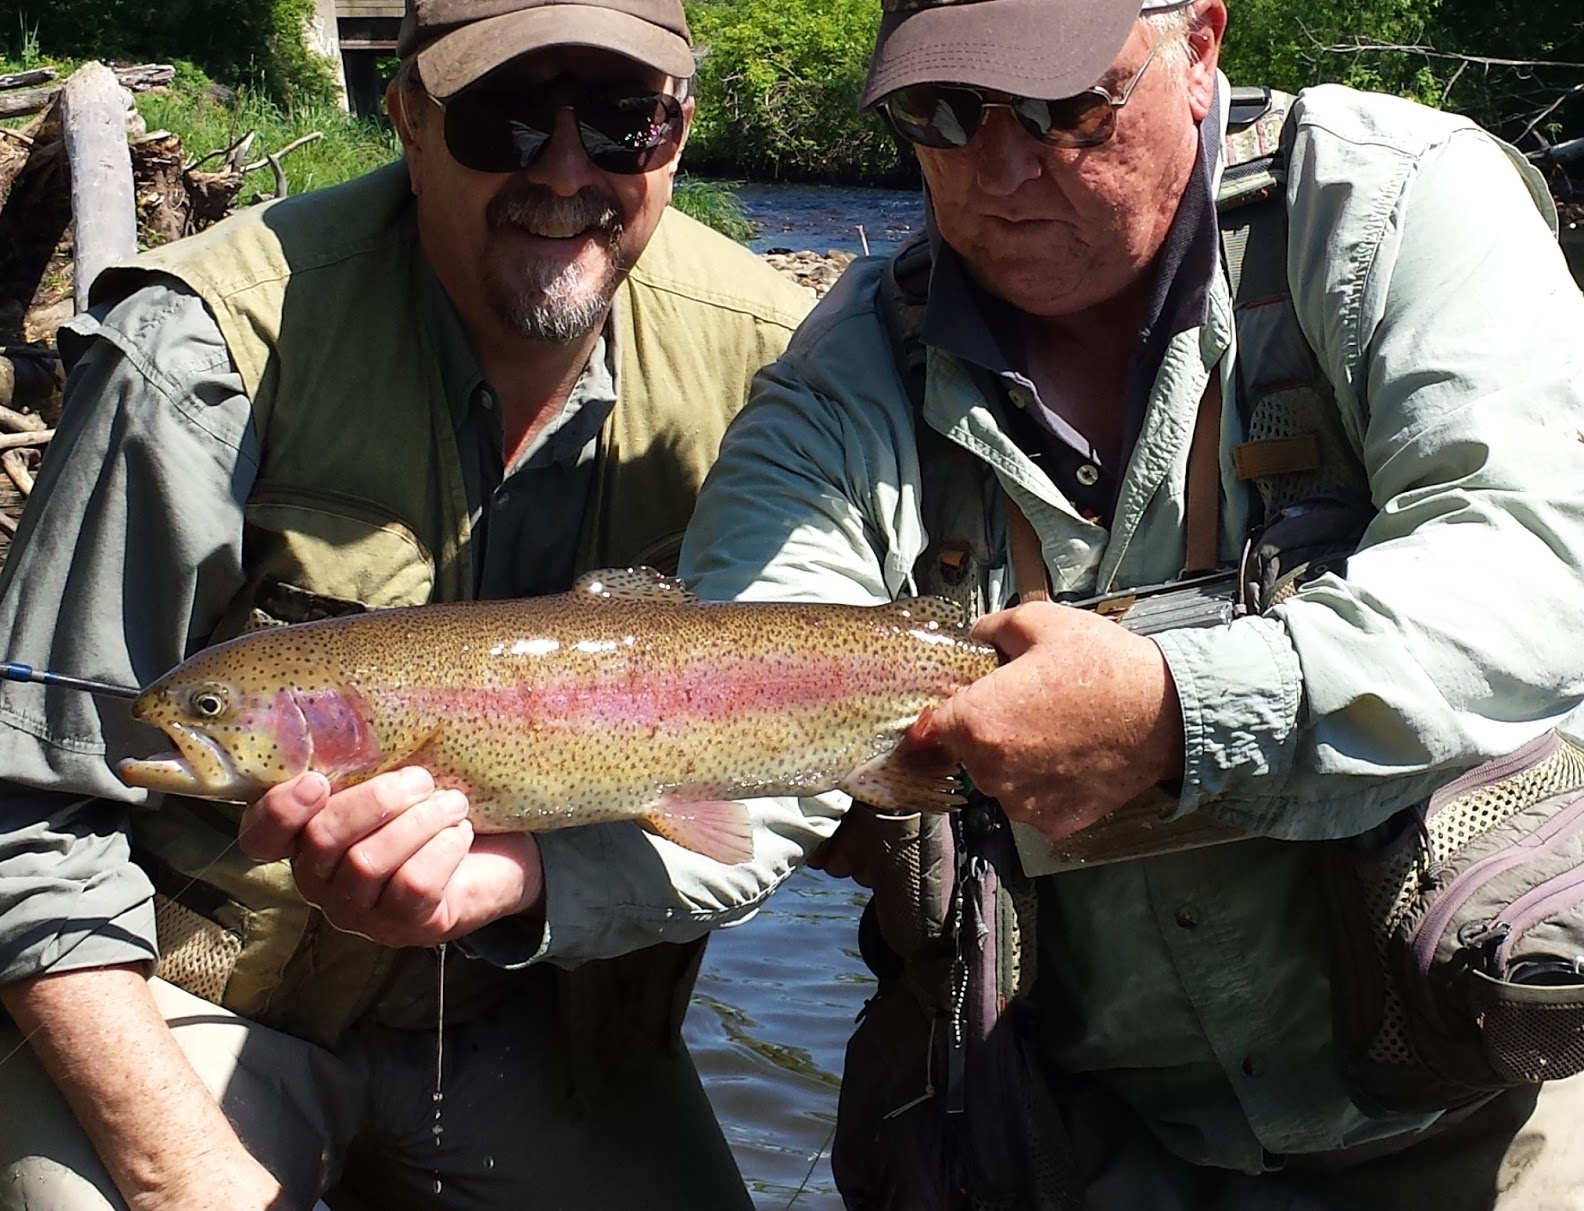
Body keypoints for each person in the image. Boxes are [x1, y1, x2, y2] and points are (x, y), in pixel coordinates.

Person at [675, 0, 1584, 1207]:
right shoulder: (845, 374)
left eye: (1064, 105)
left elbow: (1531, 568)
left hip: (1493, 1103)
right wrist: (527, 879)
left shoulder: (1400, 207)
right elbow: (720, 695)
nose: (1002, 167)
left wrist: (1175, 711)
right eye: (940, 113)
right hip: (1085, 1139)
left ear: (1198, 49)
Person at [0, 1, 814, 1208]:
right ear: (408, 118)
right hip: (200, 999)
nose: (565, 170)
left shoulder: (772, 361)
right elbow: (16, 811)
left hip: (542, 1025)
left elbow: (836, 762)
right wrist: (180, 1169)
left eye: (624, 120)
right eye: (506, 118)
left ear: (678, 132)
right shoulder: (203, 348)